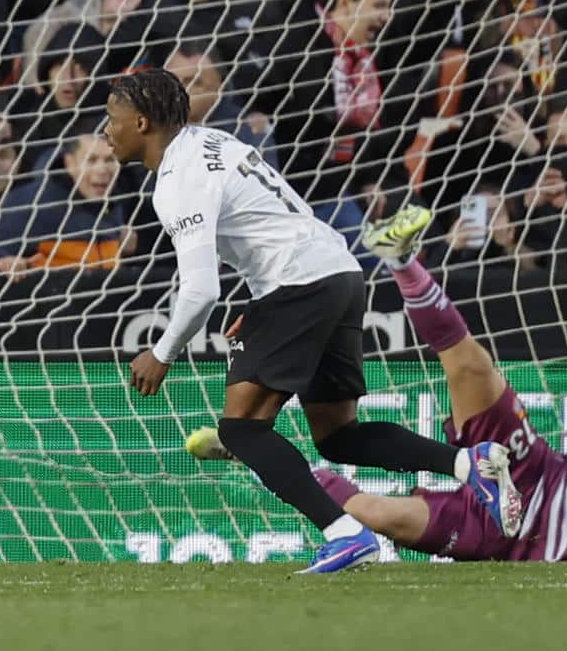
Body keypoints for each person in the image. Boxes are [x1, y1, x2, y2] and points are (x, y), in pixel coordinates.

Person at [103, 68, 522, 576]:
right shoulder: (212, 141)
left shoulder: (175, 182)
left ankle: (344, 534)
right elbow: (268, 223)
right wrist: (261, 302)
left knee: (241, 431)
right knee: (338, 436)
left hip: (298, 284)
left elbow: (200, 289)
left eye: (112, 118)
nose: (107, 129)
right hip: (336, 273)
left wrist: (162, 351)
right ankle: (469, 463)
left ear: (142, 122)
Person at [187, 205, 567, 563]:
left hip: (508, 541)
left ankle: (254, 453)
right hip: (539, 472)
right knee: (472, 368)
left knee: (372, 513)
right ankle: (401, 260)